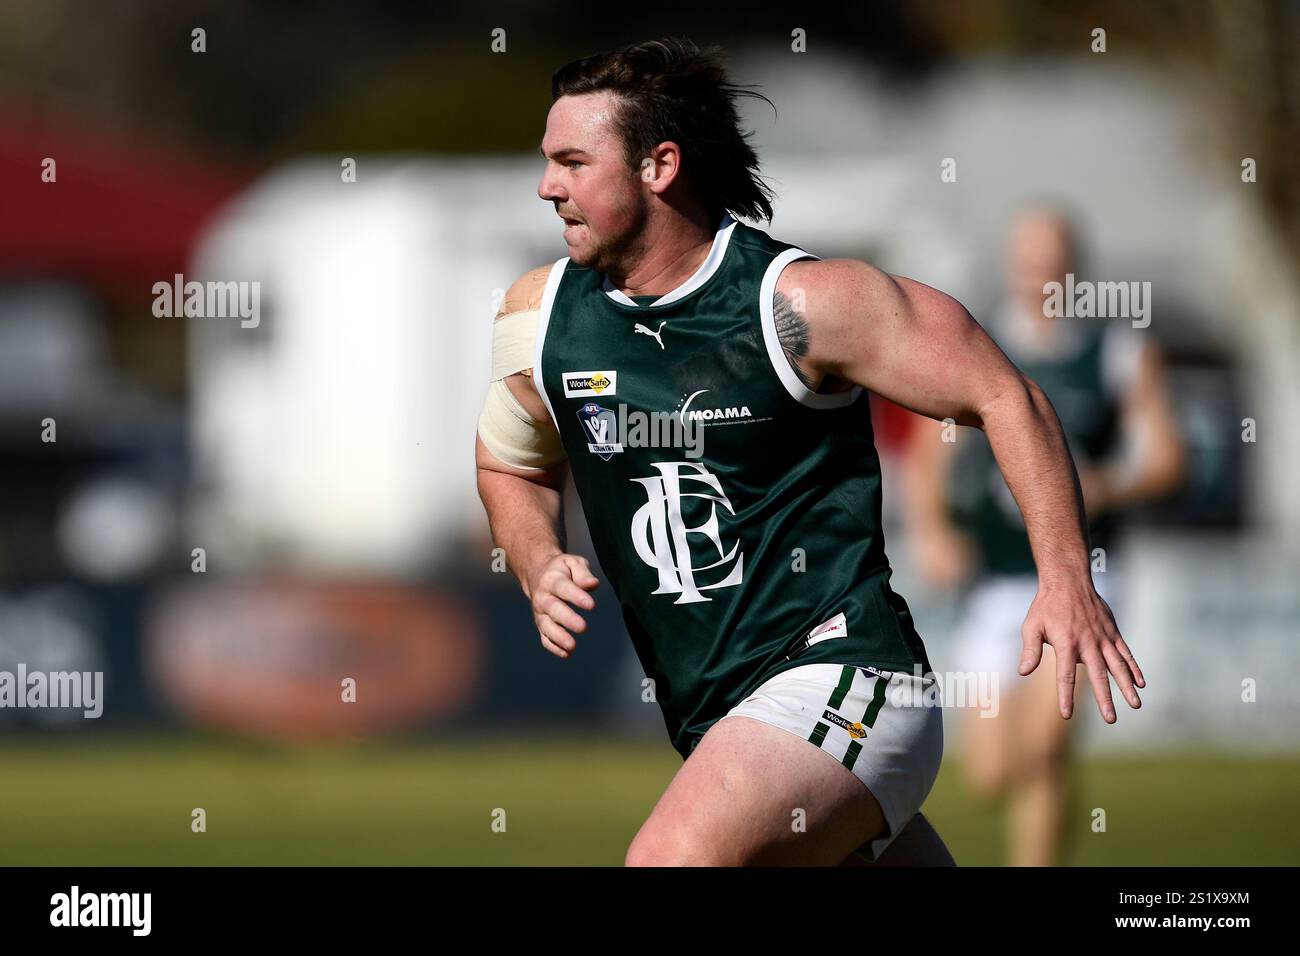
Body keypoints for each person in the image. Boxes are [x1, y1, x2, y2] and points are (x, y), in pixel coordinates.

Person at [474, 37, 1143, 866]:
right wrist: (537, 558)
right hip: (721, 719)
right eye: (548, 162)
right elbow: (510, 460)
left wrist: (1067, 576)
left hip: (847, 674)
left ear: (659, 167)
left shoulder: (801, 303)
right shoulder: (540, 316)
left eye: (573, 162)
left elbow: (1005, 394)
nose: (548, 187)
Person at [903, 204, 1185, 865]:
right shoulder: (977, 344)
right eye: (1027, 260)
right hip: (994, 582)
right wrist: (933, 531)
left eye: (1051, 259)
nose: (1039, 274)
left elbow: (1170, 458)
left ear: (1074, 267)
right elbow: (927, 454)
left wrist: (1102, 484)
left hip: (1084, 575)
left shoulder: (1117, 351)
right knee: (992, 772)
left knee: (1046, 745)